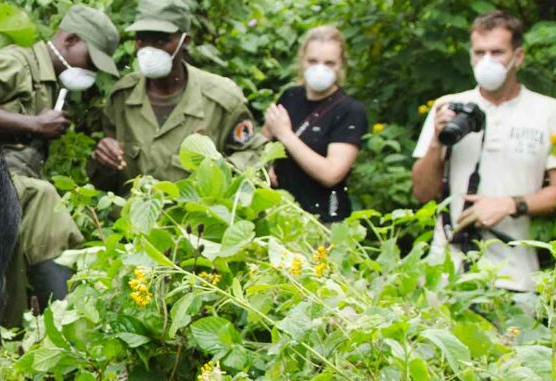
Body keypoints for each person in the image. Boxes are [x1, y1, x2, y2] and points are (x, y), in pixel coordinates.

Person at [0, 5, 121, 325]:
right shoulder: (16, 63)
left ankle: (31, 331)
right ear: (70, 40)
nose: (91, 71)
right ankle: (70, 324)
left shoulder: (50, 84)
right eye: (91, 60)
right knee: (43, 198)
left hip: (6, 184)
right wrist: (33, 125)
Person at [410, 10, 556, 292]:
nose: (486, 61)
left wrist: (509, 204)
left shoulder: (550, 111)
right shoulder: (448, 107)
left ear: (518, 56)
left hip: (515, 275)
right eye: (479, 52)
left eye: (497, 52)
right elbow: (422, 193)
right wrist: (437, 142)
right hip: (448, 272)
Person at [89, 0, 262, 196]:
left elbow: (254, 154)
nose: (148, 50)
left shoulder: (222, 99)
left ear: (184, 41)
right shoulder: (122, 97)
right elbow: (107, 183)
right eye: (141, 40)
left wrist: (219, 174)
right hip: (132, 214)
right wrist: (104, 160)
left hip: (197, 214)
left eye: (160, 42)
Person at [261, 26, 368, 223]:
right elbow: (263, 140)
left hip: (323, 220)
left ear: (341, 65)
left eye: (329, 63)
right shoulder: (290, 96)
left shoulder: (350, 111)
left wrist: (286, 135)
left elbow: (331, 174)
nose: (320, 69)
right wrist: (266, 166)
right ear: (301, 60)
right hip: (279, 212)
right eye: (312, 61)